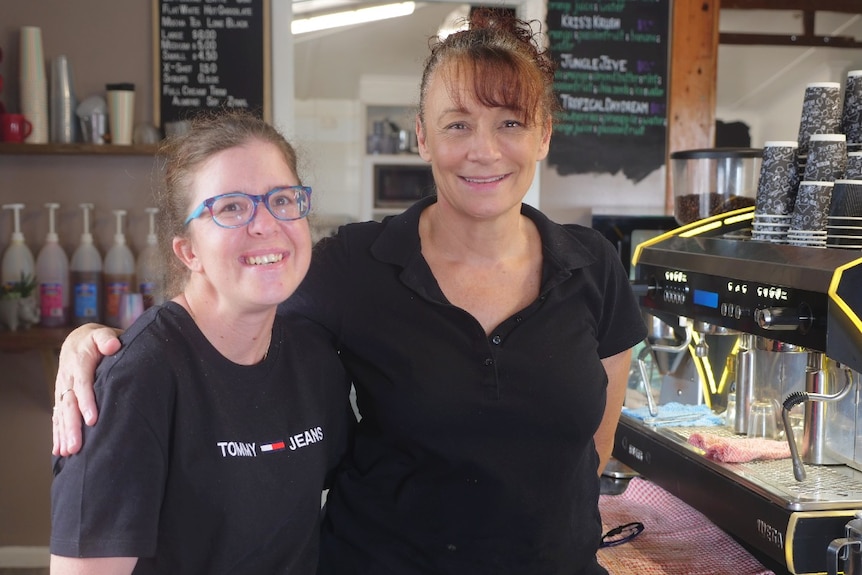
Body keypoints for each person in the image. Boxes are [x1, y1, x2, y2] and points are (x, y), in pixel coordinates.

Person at [52, 9, 646, 575]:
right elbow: (231, 296)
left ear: (543, 134)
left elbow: (594, 442)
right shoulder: (354, 265)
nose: (483, 150)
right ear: (421, 137)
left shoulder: (593, 266)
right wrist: (101, 348)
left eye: (510, 122)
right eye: (457, 123)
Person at [50, 111, 352, 574]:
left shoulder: (314, 363)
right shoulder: (135, 380)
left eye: (283, 199)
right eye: (231, 207)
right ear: (189, 251)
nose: (265, 223)